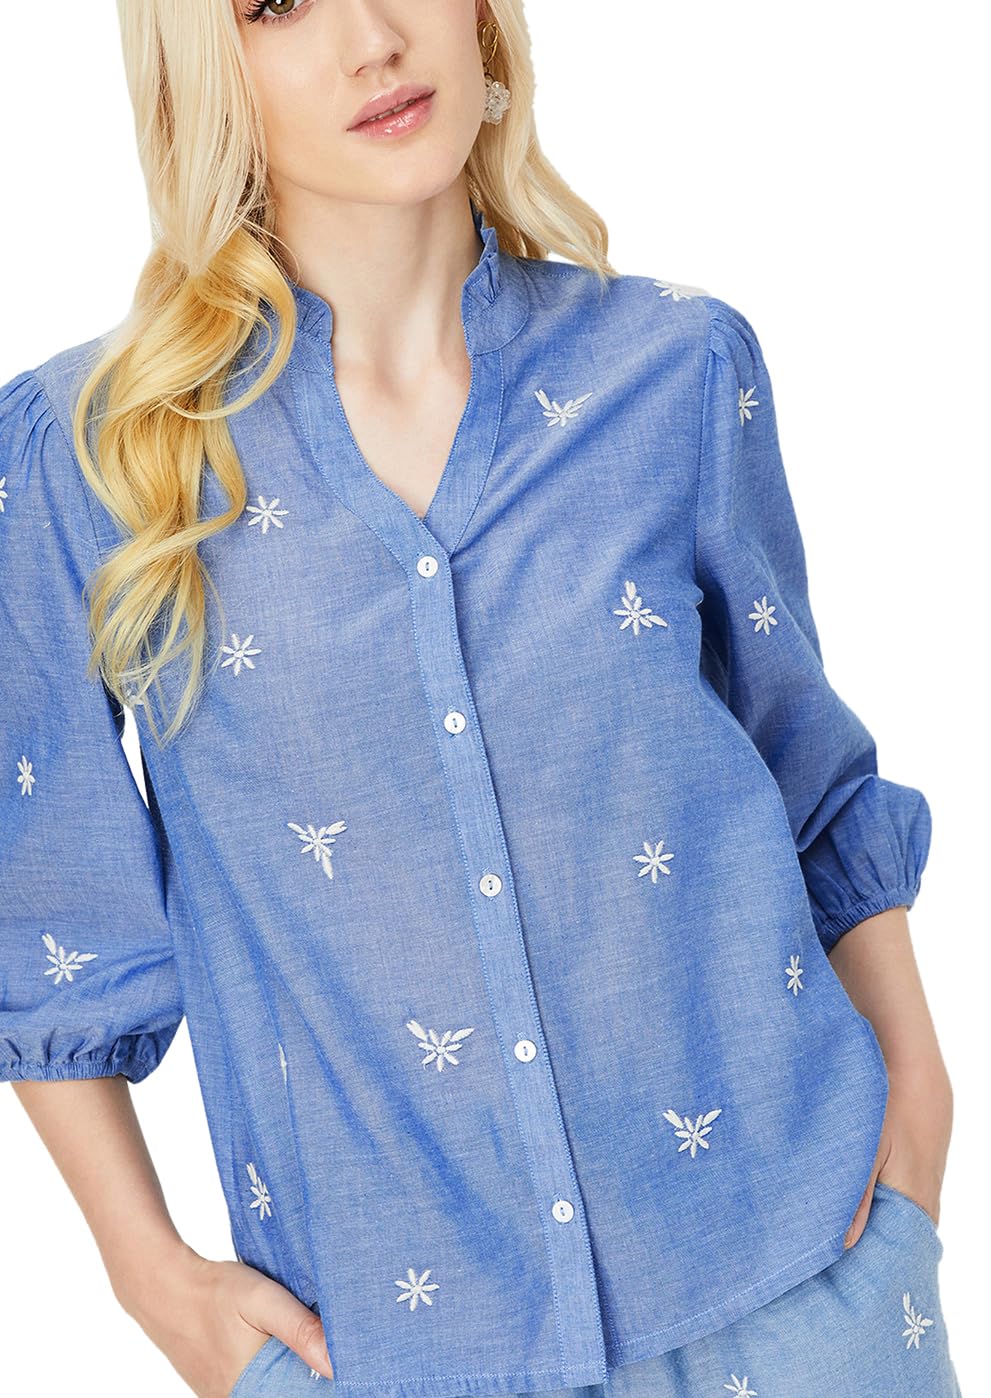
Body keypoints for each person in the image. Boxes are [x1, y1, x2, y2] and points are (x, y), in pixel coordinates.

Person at [0, 2, 961, 1396]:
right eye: (278, 2)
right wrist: (147, 1272)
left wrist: (919, 1109)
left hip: (807, 1291)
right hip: (391, 1349)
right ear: (204, 64)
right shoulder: (96, 462)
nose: (374, 37)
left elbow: (811, 783)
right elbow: (49, 918)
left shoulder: (676, 369)